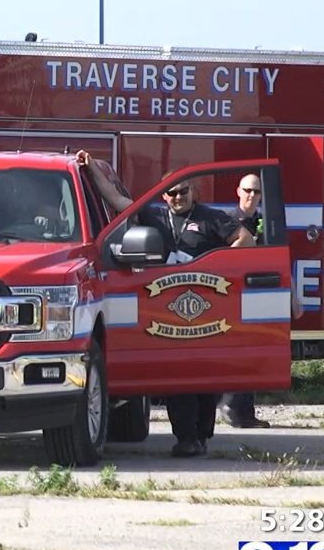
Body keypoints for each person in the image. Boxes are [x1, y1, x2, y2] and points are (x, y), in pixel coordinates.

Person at [76, 150, 253, 457]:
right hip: (166, 312)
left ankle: (201, 435)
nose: (176, 197)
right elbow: (118, 203)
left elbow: (245, 239)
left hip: (206, 308)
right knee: (178, 377)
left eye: (182, 191)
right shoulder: (154, 215)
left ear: (193, 191)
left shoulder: (211, 218)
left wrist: (214, 265)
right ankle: (185, 438)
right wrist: (92, 170)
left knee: (205, 380)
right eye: (170, 193)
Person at [219, 174, 272, 429]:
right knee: (236, 353)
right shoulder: (227, 221)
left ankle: (244, 413)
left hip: (260, 294)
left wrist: (292, 295)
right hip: (232, 295)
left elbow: (279, 257)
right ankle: (232, 408)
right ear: (238, 191)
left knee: (253, 354)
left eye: (257, 192)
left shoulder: (266, 222)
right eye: (248, 190)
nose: (252, 195)